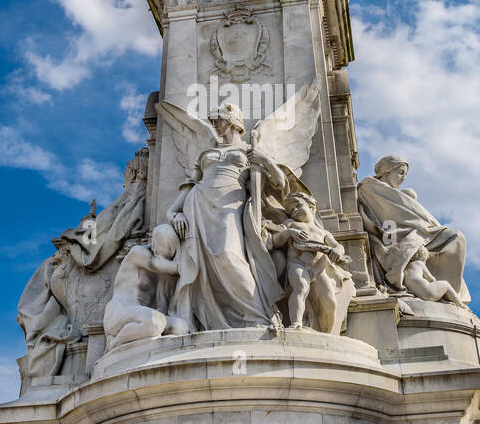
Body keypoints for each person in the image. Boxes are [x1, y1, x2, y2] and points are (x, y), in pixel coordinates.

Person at [165, 102, 286, 331]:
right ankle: (209, 319)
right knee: (200, 263)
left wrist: (265, 160)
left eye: (217, 119)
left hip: (232, 204)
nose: (214, 124)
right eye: (212, 120)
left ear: (231, 120)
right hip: (198, 204)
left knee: (228, 254)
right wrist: (174, 215)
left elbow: (280, 183)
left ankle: (258, 316)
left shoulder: (251, 149)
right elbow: (189, 187)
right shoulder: (206, 152)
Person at [358, 155, 471, 308]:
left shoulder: (393, 193)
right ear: (386, 171)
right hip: (395, 232)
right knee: (456, 237)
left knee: (457, 238)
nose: (403, 177)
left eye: (405, 174)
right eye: (400, 172)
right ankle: (449, 296)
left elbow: (409, 214)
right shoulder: (370, 187)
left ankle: (449, 295)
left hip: (410, 231)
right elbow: (388, 219)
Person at [264, 192, 352, 333]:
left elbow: (337, 246)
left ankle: (328, 332)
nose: (296, 210)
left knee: (330, 302)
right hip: (297, 264)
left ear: (312, 207)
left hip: (319, 269)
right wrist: (290, 232)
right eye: (292, 210)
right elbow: (275, 241)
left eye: (299, 205)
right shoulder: (290, 224)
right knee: (300, 287)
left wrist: (338, 251)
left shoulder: (322, 232)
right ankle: (296, 323)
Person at [103, 224, 181, 351]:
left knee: (180, 327)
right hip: (119, 311)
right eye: (163, 246)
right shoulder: (137, 252)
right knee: (154, 322)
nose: (161, 252)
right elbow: (161, 265)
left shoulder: (165, 275)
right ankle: (114, 342)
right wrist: (195, 263)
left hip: (144, 315)